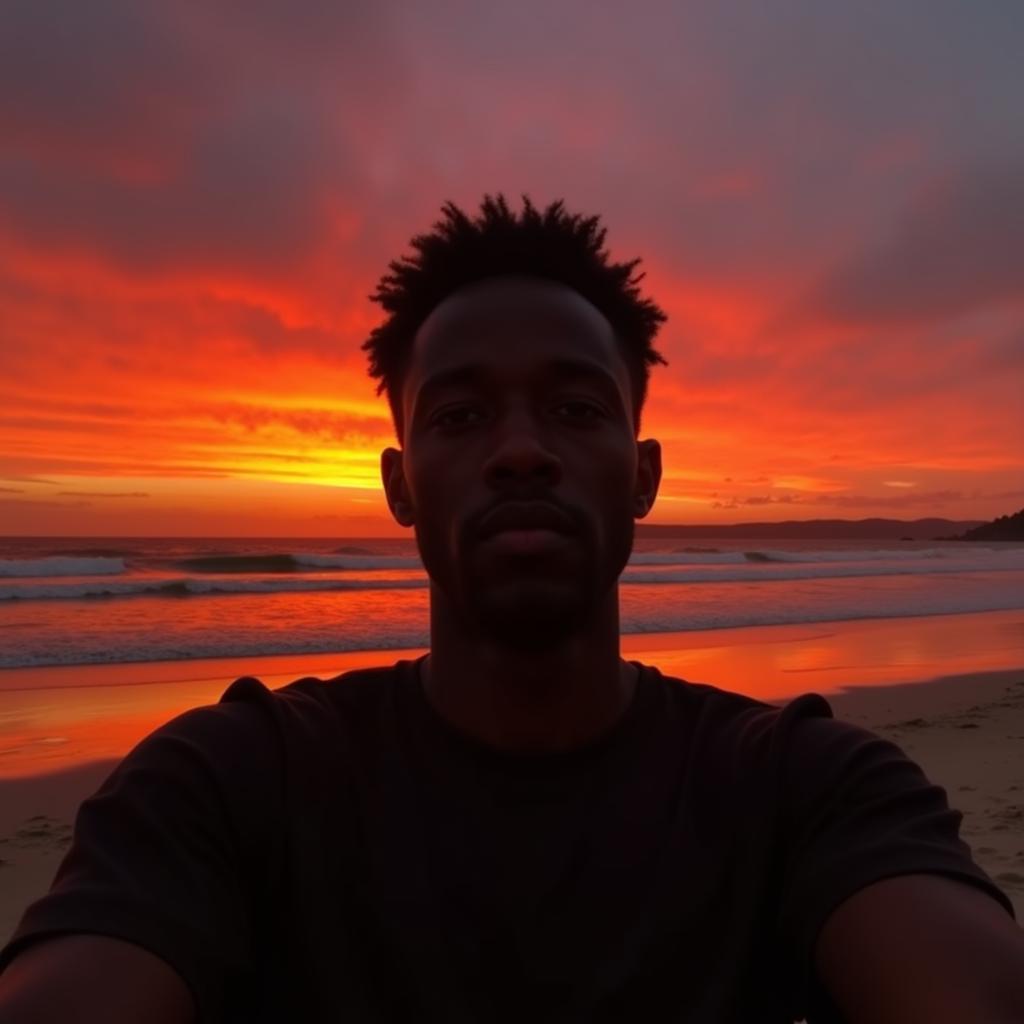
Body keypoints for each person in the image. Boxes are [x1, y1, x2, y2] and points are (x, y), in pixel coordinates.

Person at [1, 195, 1022, 1024]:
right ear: (401, 485)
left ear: (643, 474)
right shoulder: (233, 781)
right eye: (460, 414)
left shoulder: (800, 783)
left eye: (577, 410)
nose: (521, 449)